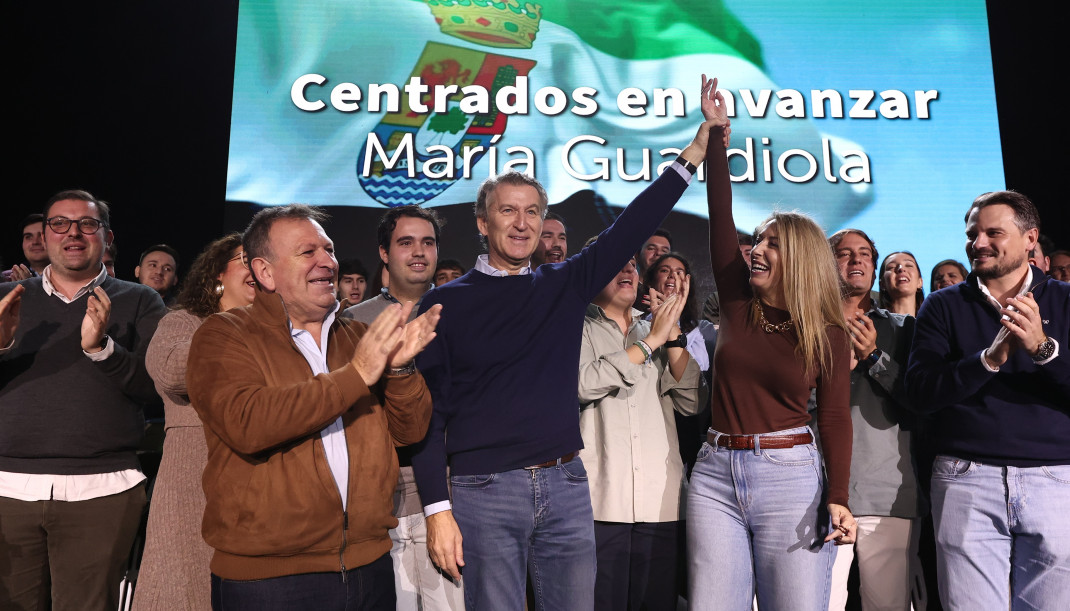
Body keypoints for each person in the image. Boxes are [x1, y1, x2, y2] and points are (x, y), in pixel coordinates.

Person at [412, 88, 722, 610]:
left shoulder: (564, 283)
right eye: (507, 212)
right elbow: (428, 415)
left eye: (533, 212)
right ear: (483, 224)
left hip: (566, 484)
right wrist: (436, 508)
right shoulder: (445, 302)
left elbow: (633, 226)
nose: (522, 223)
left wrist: (693, 152)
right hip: (484, 490)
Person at [185, 204, 441, 609]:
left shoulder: (359, 335)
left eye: (330, 249)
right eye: (308, 252)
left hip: (369, 564)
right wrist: (357, 374)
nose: (328, 262)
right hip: (270, 580)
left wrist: (401, 369)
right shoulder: (225, 334)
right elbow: (248, 423)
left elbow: (408, 433)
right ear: (265, 272)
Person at [687, 75, 855, 610]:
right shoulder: (737, 301)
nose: (755, 250)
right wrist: (717, 139)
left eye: (771, 244)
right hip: (714, 475)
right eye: (757, 239)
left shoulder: (827, 330)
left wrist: (839, 497)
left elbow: (833, 418)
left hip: (790, 480)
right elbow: (720, 214)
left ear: (800, 260)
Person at [0, 190, 167, 610]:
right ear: (46, 233)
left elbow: (155, 388)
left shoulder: (141, 300)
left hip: (102, 490)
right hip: (7, 489)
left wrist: (102, 350)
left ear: (106, 238)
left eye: (87, 224)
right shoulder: (8, 299)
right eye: (60, 223)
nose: (73, 233)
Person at [905, 190, 1069, 610]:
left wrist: (1043, 350)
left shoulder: (1066, 302)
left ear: (1030, 238)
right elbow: (921, 393)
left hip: (1056, 480)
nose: (978, 243)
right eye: (972, 233)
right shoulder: (942, 306)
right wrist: (988, 360)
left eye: (993, 232)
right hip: (966, 478)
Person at [343, 205, 464, 611]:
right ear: (384, 252)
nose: (418, 252)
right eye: (406, 242)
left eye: (427, 242)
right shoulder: (352, 324)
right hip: (380, 501)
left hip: (453, 495)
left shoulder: (462, 313)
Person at [133, 233, 256, 610]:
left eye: (263, 260)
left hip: (258, 476)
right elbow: (171, 372)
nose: (256, 267)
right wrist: (241, 335)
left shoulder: (282, 327)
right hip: (191, 475)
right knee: (183, 587)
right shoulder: (183, 321)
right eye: (245, 258)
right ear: (218, 272)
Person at [579, 254, 702, 610]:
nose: (627, 271)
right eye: (615, 263)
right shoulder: (577, 327)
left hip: (660, 502)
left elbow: (692, 402)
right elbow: (582, 384)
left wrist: (672, 332)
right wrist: (648, 345)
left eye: (632, 265)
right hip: (600, 500)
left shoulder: (657, 328)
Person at [827, 229, 921, 611]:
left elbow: (921, 401)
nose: (856, 261)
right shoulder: (804, 325)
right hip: (819, 491)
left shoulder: (904, 329)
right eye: (845, 254)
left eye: (864, 254)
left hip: (887, 492)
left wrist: (874, 357)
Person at [702, 229, 753, 326]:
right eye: (737, 255)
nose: (742, 260)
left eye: (748, 254)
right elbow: (712, 336)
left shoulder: (772, 297)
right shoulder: (716, 300)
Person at [3, 214, 49, 281]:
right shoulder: (5, 279)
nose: (35, 242)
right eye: (28, 237)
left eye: (42, 236)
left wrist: (29, 285)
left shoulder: (68, 277)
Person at [878, 251, 924, 315]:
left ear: (920, 282)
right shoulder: (870, 322)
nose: (901, 269)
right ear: (882, 284)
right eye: (891, 267)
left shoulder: (934, 323)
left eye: (909, 265)